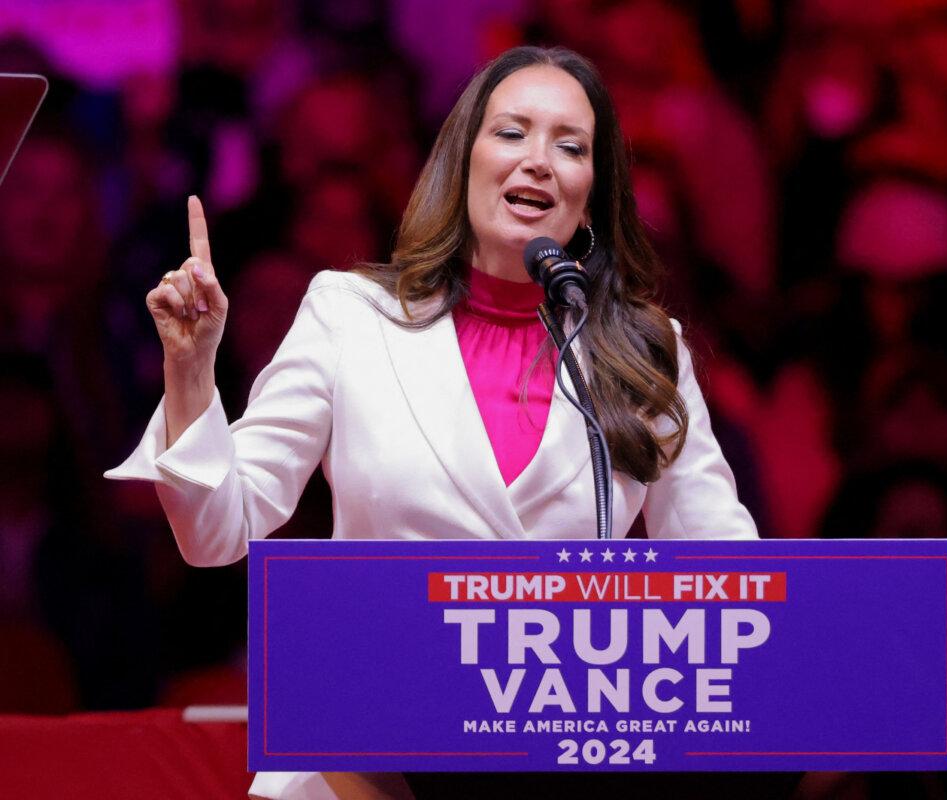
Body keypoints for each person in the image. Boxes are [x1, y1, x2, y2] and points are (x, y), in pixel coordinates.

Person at [106, 46, 764, 799]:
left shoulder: (646, 349)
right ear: (464, 158)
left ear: (594, 192)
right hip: (360, 763)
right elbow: (217, 531)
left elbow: (724, 578)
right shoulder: (352, 316)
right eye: (511, 133)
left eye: (571, 146)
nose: (539, 162)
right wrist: (191, 370)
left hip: (559, 767)